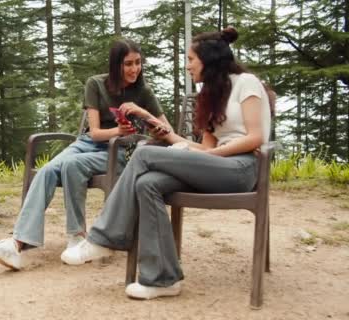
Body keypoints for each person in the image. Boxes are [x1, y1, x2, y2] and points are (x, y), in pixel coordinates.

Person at [60, 27, 272, 300]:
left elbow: (256, 137)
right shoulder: (212, 93)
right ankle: (162, 279)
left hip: (242, 169)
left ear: (208, 60)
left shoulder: (247, 83)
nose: (187, 66)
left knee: (144, 154)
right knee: (147, 183)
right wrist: (167, 134)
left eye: (190, 60)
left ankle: (104, 238)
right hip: (213, 166)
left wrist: (211, 156)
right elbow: (205, 147)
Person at [0, 39, 172, 270]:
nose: (134, 69)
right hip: (88, 144)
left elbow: (168, 130)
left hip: (119, 152)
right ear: (115, 65)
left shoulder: (143, 92)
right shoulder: (96, 84)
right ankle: (16, 244)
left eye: (138, 63)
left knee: (72, 165)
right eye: (128, 64)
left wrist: (146, 120)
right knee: (47, 171)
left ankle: (77, 235)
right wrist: (117, 129)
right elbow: (97, 132)